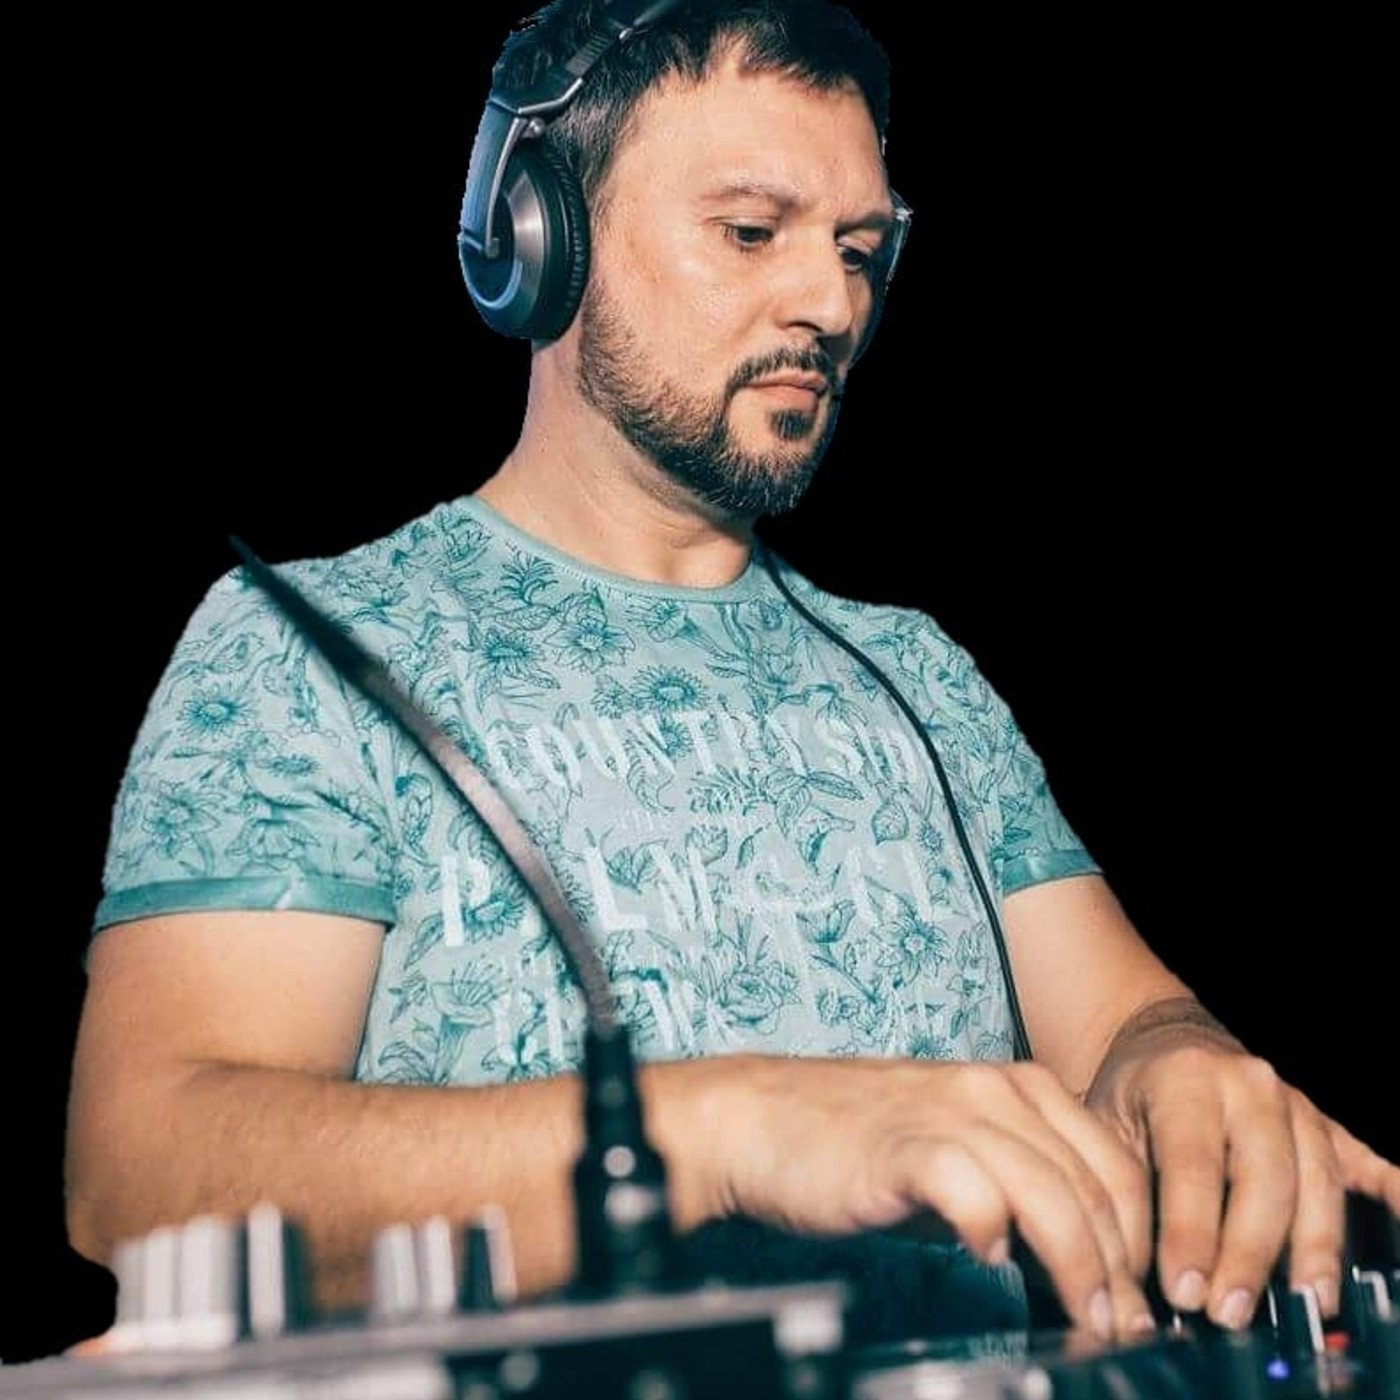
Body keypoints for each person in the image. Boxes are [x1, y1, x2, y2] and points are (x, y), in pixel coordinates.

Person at [65, 0, 1397, 1355]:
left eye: (859, 250)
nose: (831, 304)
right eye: (753, 233)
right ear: (538, 241)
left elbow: (1121, 1021)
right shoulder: (306, 648)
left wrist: (1181, 1066)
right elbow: (146, 1176)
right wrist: (722, 1128)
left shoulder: (916, 674)